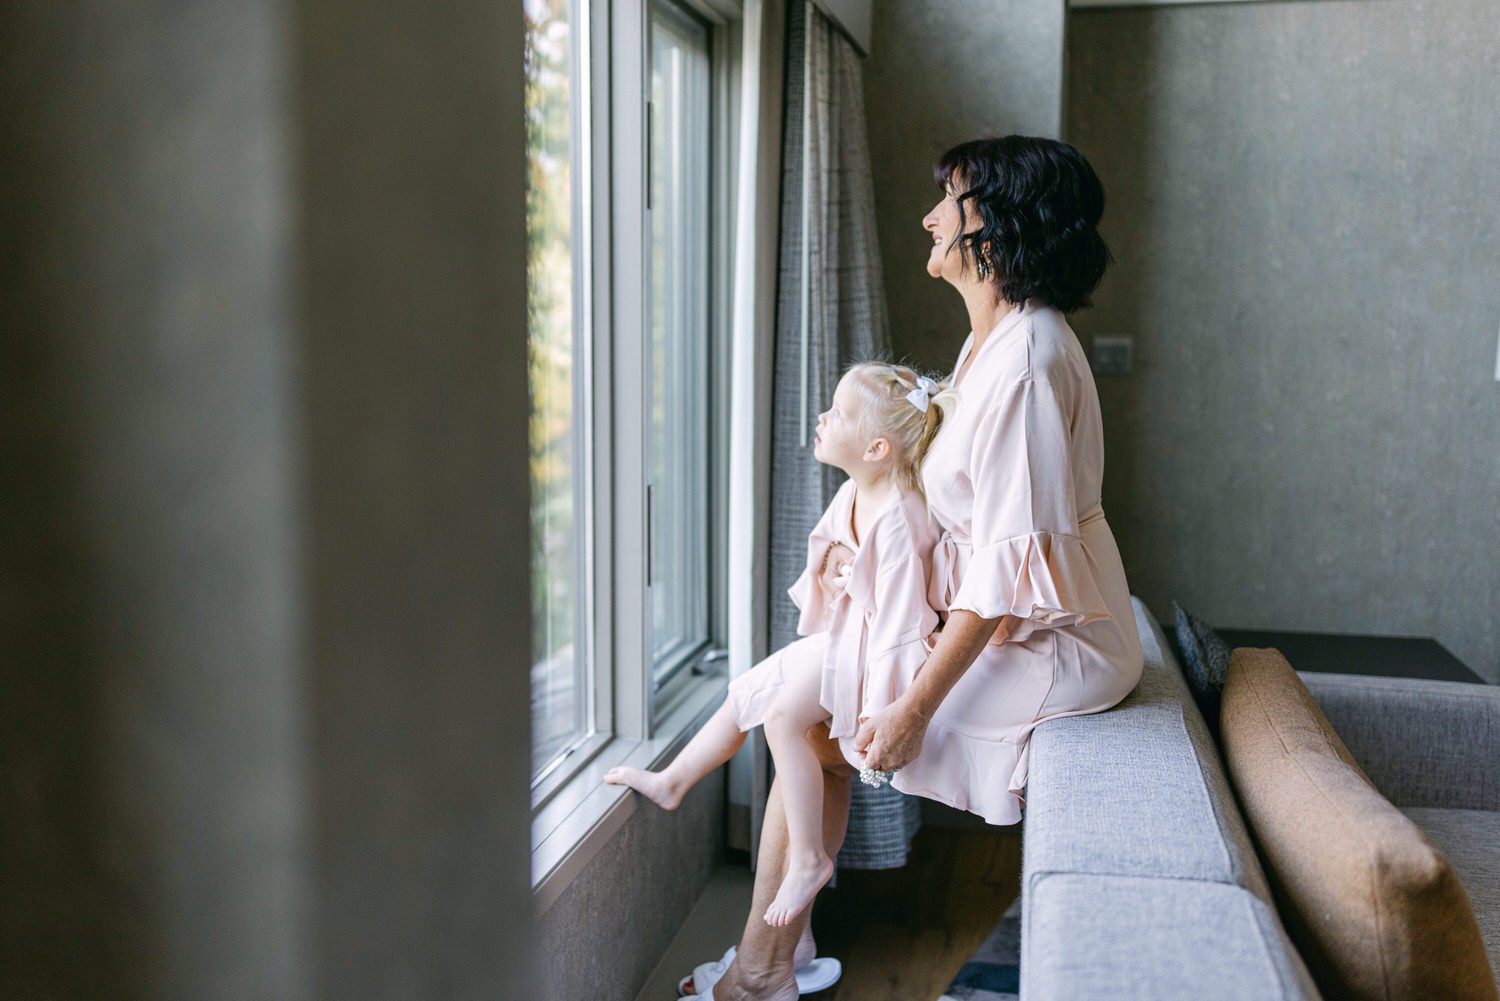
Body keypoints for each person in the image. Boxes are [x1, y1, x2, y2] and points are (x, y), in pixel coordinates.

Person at [689, 135, 1145, 1001]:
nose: (932, 217)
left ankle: (759, 975)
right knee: (798, 708)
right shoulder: (995, 342)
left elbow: (1005, 575)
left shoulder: (1030, 362)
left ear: (999, 227)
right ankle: (767, 969)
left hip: (1054, 648)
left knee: (815, 722)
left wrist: (910, 706)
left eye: (953, 201)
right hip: (1014, 621)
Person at [605, 360, 956, 929]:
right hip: (845, 637)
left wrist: (880, 708)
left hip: (875, 655)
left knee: (783, 720)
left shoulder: (899, 517)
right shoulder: (853, 492)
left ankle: (810, 860)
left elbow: (899, 622)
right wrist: (838, 571)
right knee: (747, 690)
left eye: (839, 413)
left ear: (877, 449)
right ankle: (674, 782)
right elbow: (829, 560)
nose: (822, 416)